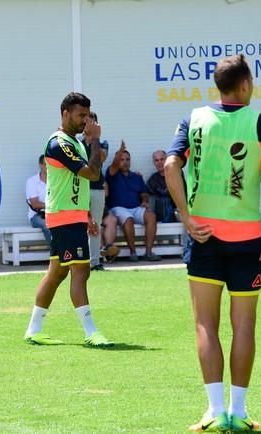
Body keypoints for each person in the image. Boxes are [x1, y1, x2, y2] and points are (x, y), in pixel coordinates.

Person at [164, 54, 261, 432]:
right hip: (247, 238)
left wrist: (185, 216)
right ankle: (240, 411)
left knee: (205, 324)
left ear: (218, 86)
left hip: (204, 239)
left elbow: (170, 165)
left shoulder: (193, 119)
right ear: (246, 84)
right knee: (244, 326)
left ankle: (214, 410)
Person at [23, 92, 113, 348]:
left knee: (57, 273)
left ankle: (34, 329)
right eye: (81, 115)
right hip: (64, 219)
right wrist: (95, 140)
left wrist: (86, 214)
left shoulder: (73, 143)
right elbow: (92, 173)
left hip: (70, 216)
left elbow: (73, 183)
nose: (85, 120)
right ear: (65, 113)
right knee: (81, 271)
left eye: (88, 115)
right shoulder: (58, 143)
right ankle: (91, 332)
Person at [105, 142, 161, 262]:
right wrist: (120, 151)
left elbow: (144, 193)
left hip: (136, 208)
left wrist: (145, 201)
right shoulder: (112, 174)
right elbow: (114, 165)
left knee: (151, 216)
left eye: (127, 159)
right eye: (122, 159)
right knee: (128, 219)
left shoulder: (137, 176)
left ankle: (148, 252)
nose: (125, 162)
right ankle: (133, 252)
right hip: (118, 208)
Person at [80, 111, 113, 270]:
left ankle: (95, 262)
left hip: (97, 189)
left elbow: (102, 158)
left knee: (96, 225)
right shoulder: (76, 143)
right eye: (87, 122)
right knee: (80, 225)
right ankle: (81, 261)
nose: (90, 125)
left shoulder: (102, 143)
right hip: (80, 189)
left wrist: (95, 139)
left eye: (93, 122)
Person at [146, 150, 178, 223]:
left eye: (162, 159)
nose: (159, 162)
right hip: (161, 212)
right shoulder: (153, 179)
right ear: (154, 163)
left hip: (176, 211)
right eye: (156, 160)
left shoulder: (176, 176)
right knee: (163, 200)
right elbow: (144, 193)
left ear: (166, 160)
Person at [26, 155, 51, 244]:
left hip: (54, 214)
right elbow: (35, 204)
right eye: (45, 164)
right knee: (48, 226)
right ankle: (57, 254)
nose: (48, 167)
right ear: (40, 165)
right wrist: (52, 205)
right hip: (37, 215)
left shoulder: (56, 181)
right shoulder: (32, 181)